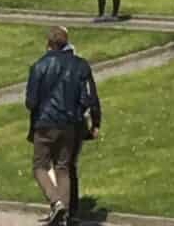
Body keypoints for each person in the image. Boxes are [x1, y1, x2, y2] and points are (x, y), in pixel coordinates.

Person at [25, 26, 97, 226]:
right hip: (70, 123)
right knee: (63, 167)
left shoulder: (39, 66)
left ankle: (56, 202)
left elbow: (30, 102)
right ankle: (64, 216)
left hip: (46, 122)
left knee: (40, 165)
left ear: (48, 44)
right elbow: (86, 97)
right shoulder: (79, 65)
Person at [64, 38, 102, 225]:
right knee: (70, 166)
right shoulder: (81, 68)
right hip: (76, 123)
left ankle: (60, 206)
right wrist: (96, 123)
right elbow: (91, 97)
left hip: (54, 124)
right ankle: (71, 211)